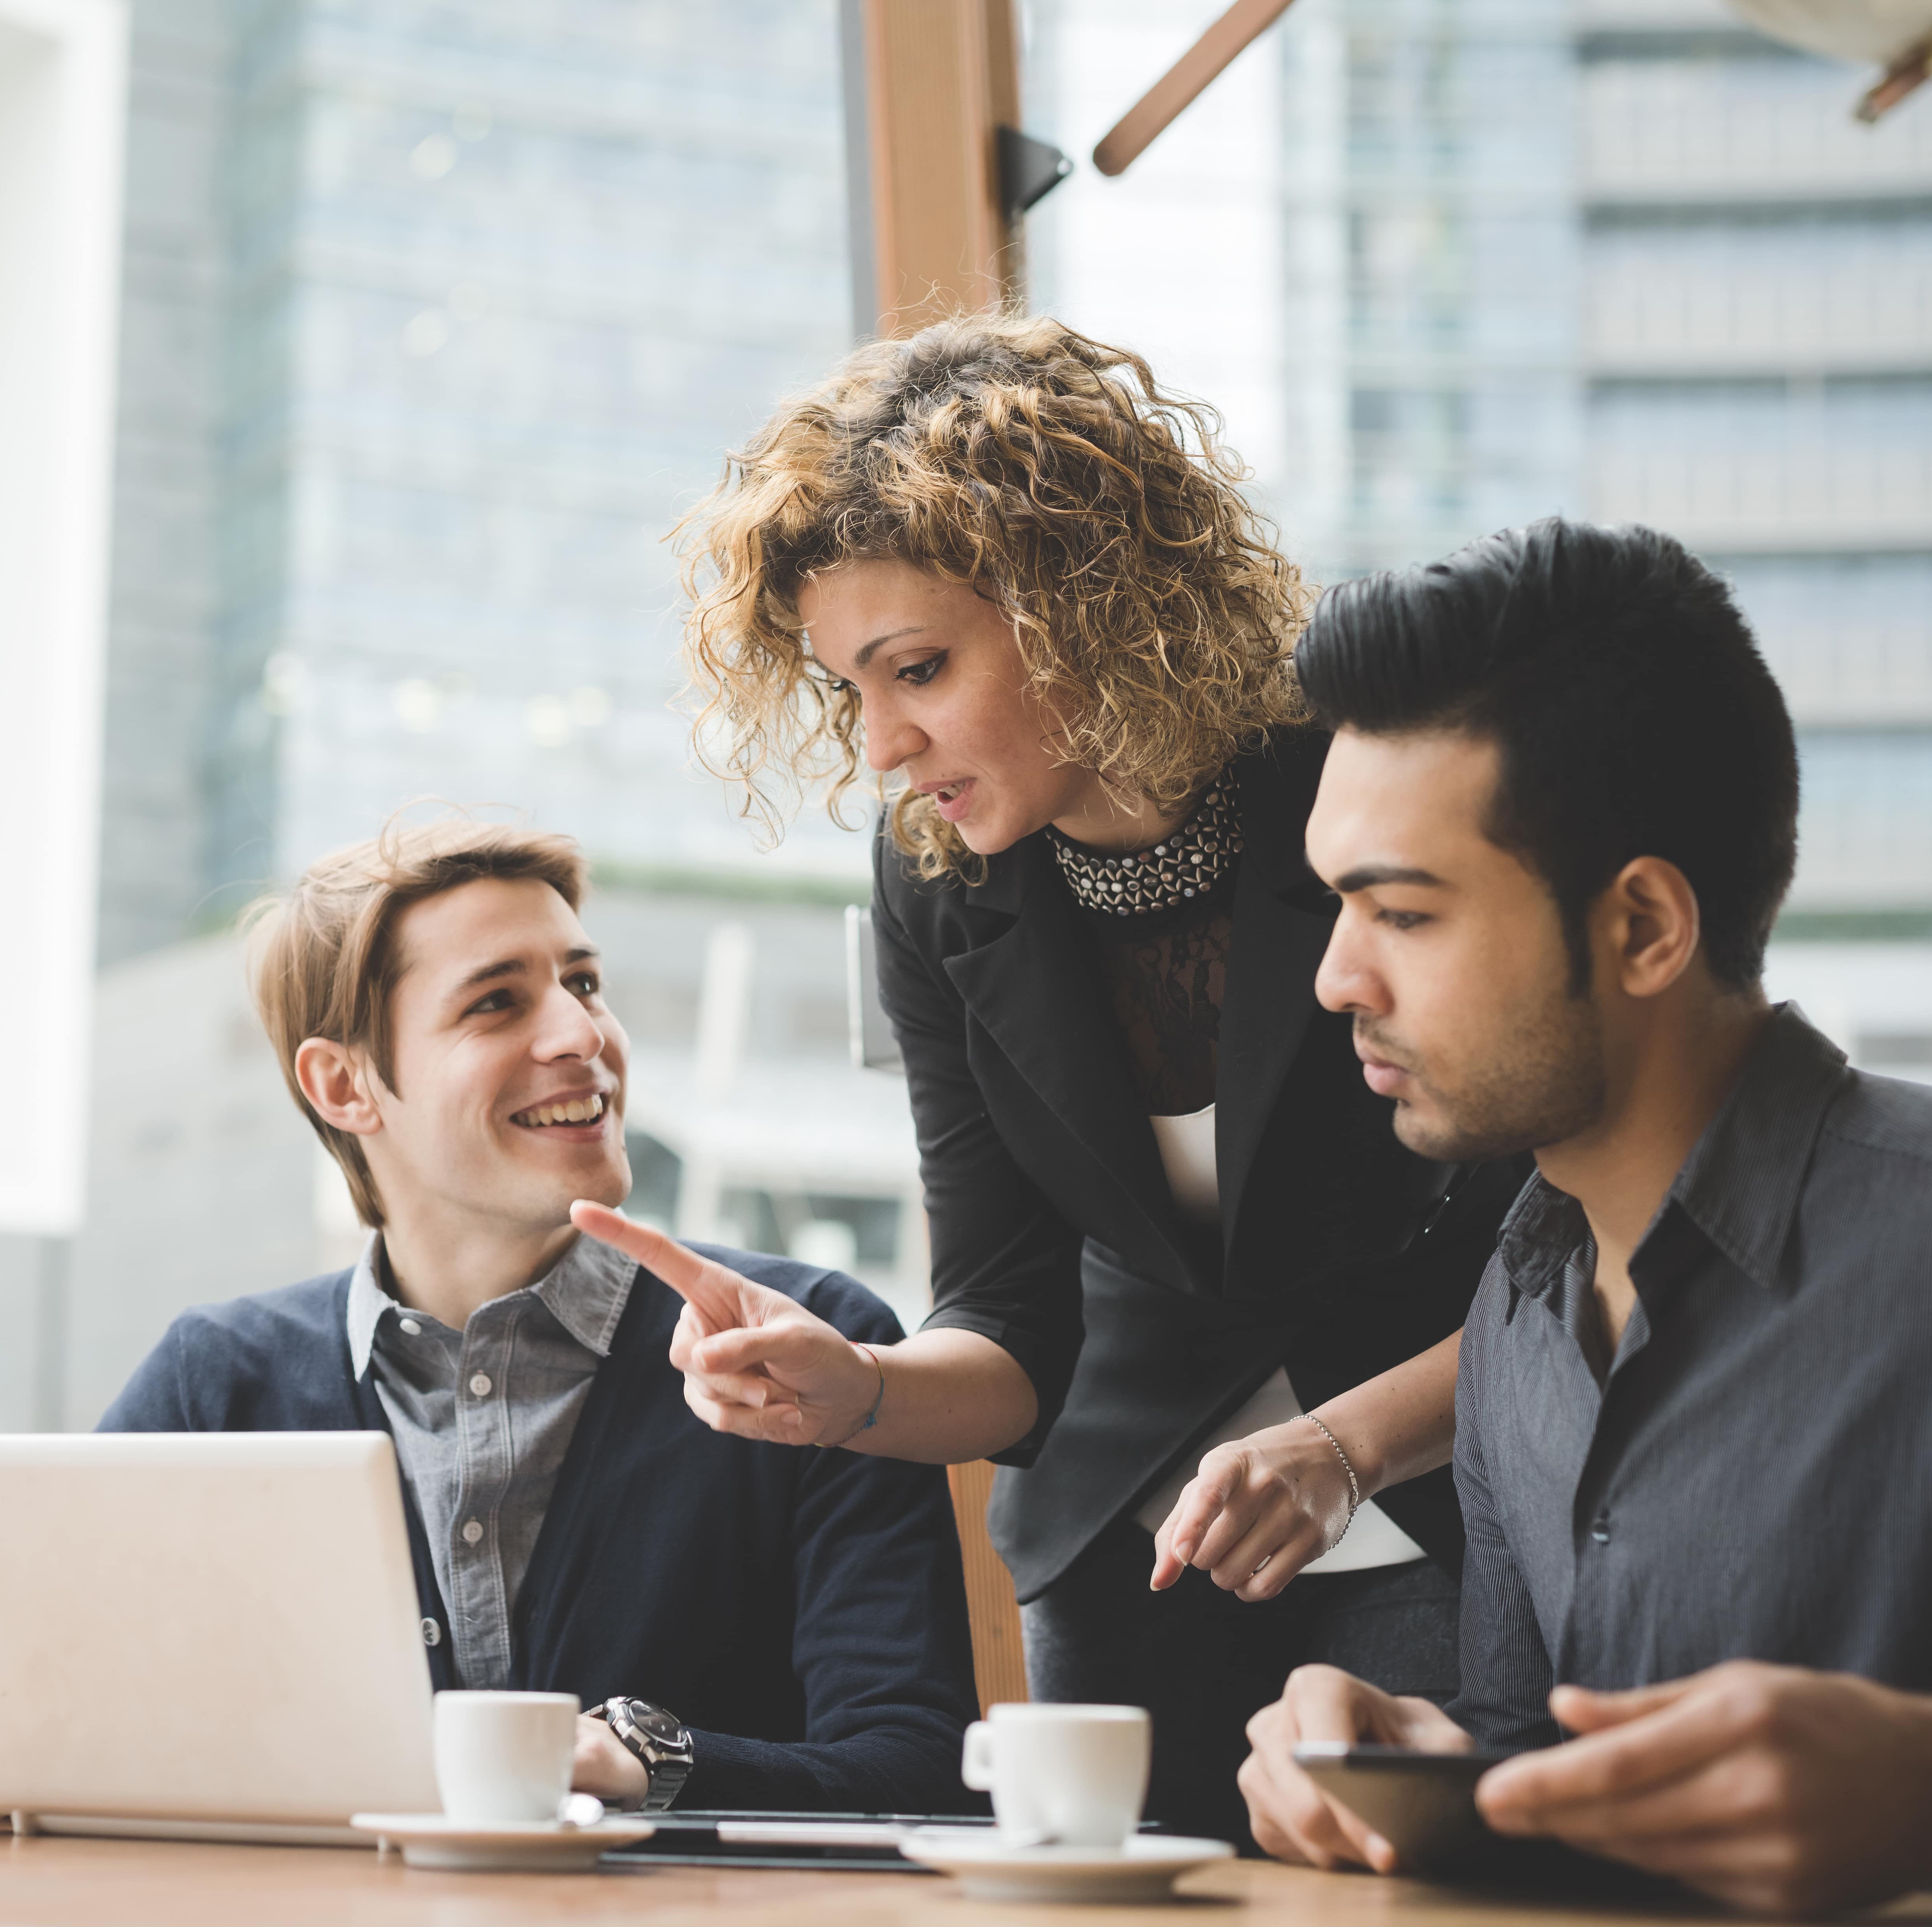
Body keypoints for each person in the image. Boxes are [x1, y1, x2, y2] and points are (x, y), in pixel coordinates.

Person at [573, 314, 1528, 1841]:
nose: (882, 744)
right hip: (1128, 1542)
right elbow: (1013, 1313)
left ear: (1081, 599)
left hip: (1444, 1492)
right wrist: (860, 1392)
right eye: (849, 692)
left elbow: (1578, 1248)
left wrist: (1348, 1441)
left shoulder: (1353, 762)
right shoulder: (939, 883)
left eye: (921, 669)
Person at [1234, 518, 1932, 1914]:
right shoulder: (1520, 1304)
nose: (1336, 981)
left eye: (1404, 915)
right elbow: (1545, 1762)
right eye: (1339, 908)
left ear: (1642, 928)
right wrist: (1421, 1765)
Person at [97, 817, 979, 1816]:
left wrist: (648, 1759)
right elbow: (5, 1749)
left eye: (584, 983)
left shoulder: (809, 1343)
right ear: (343, 1084)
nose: (581, 1035)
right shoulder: (211, 1383)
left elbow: (919, 1770)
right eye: (496, 1002)